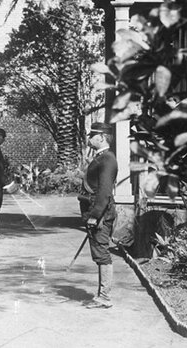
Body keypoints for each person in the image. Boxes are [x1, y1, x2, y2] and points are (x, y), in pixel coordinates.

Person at [79, 122, 118, 309]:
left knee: (102, 253)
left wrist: (95, 215)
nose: (89, 138)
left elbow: (104, 192)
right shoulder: (101, 157)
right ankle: (101, 295)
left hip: (100, 214)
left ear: (101, 137)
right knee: (98, 252)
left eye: (92, 135)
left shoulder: (108, 159)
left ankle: (104, 297)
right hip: (95, 212)